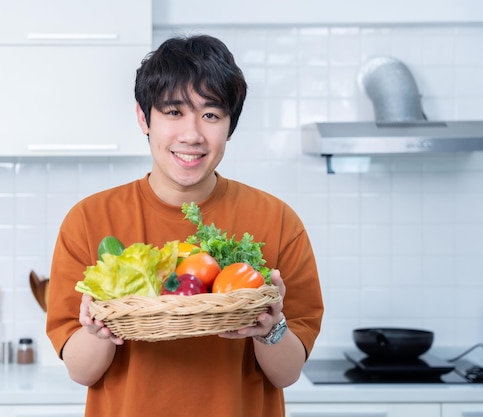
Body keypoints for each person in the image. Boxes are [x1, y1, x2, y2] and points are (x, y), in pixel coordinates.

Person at [47, 34, 324, 417]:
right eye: (173, 112)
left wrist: (269, 329)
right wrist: (98, 331)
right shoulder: (90, 220)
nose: (192, 134)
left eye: (211, 114)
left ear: (230, 126)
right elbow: (81, 370)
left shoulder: (277, 221)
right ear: (144, 118)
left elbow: (287, 373)